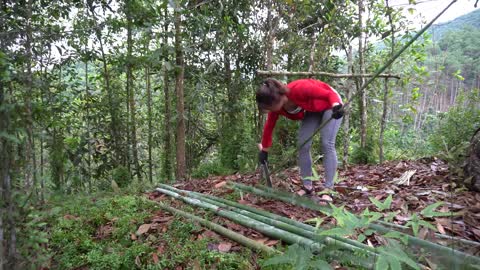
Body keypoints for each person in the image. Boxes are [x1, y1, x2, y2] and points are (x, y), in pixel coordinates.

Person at [256, 78, 344, 195]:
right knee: (303, 145)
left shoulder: (299, 88)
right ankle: (307, 186)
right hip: (313, 109)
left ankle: (329, 189)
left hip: (330, 103)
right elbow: (269, 127)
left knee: (327, 143)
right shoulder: (276, 108)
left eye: (268, 107)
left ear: (277, 100)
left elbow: (329, 94)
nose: (268, 110)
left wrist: (336, 106)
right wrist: (265, 151)